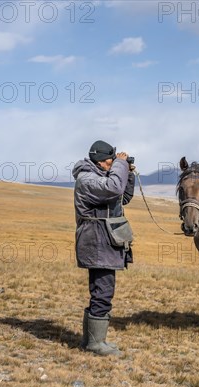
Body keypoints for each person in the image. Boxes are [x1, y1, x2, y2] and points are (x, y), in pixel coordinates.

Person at [72, 140, 135, 356]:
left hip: (102, 241)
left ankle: (93, 341)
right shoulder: (87, 179)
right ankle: (95, 344)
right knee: (103, 291)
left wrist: (129, 173)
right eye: (111, 161)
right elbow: (114, 187)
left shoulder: (99, 176)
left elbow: (122, 196)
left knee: (102, 290)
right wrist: (121, 165)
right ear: (101, 161)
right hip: (96, 242)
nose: (112, 164)